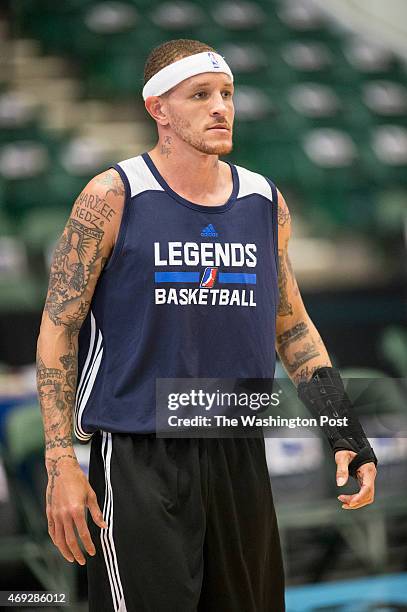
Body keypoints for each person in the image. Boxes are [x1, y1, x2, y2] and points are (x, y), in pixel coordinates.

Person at [36, 39, 377, 612]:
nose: (221, 107)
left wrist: (346, 431)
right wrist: (61, 461)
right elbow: (57, 329)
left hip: (236, 440)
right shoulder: (113, 196)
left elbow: (293, 328)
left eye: (227, 94)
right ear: (158, 109)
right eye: (201, 95)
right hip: (140, 452)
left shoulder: (264, 200)